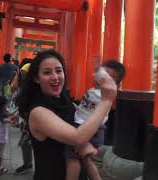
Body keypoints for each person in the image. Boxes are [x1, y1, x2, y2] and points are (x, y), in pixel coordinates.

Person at [16, 49, 117, 180]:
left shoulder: (67, 103)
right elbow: (77, 137)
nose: (55, 77)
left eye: (59, 71)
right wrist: (106, 102)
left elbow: (84, 127)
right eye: (47, 72)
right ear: (36, 78)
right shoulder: (38, 112)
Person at [66, 62, 126, 180]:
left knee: (72, 159)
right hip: (91, 128)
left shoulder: (102, 94)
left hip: (89, 129)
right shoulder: (96, 91)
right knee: (86, 160)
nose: (102, 78)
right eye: (101, 75)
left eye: (107, 77)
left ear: (115, 84)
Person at [9, 61, 34, 175]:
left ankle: (29, 164)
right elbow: (13, 87)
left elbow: (13, 87)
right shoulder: (25, 86)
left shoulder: (34, 86)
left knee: (28, 143)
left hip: (34, 119)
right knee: (25, 143)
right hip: (26, 118)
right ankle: (28, 164)